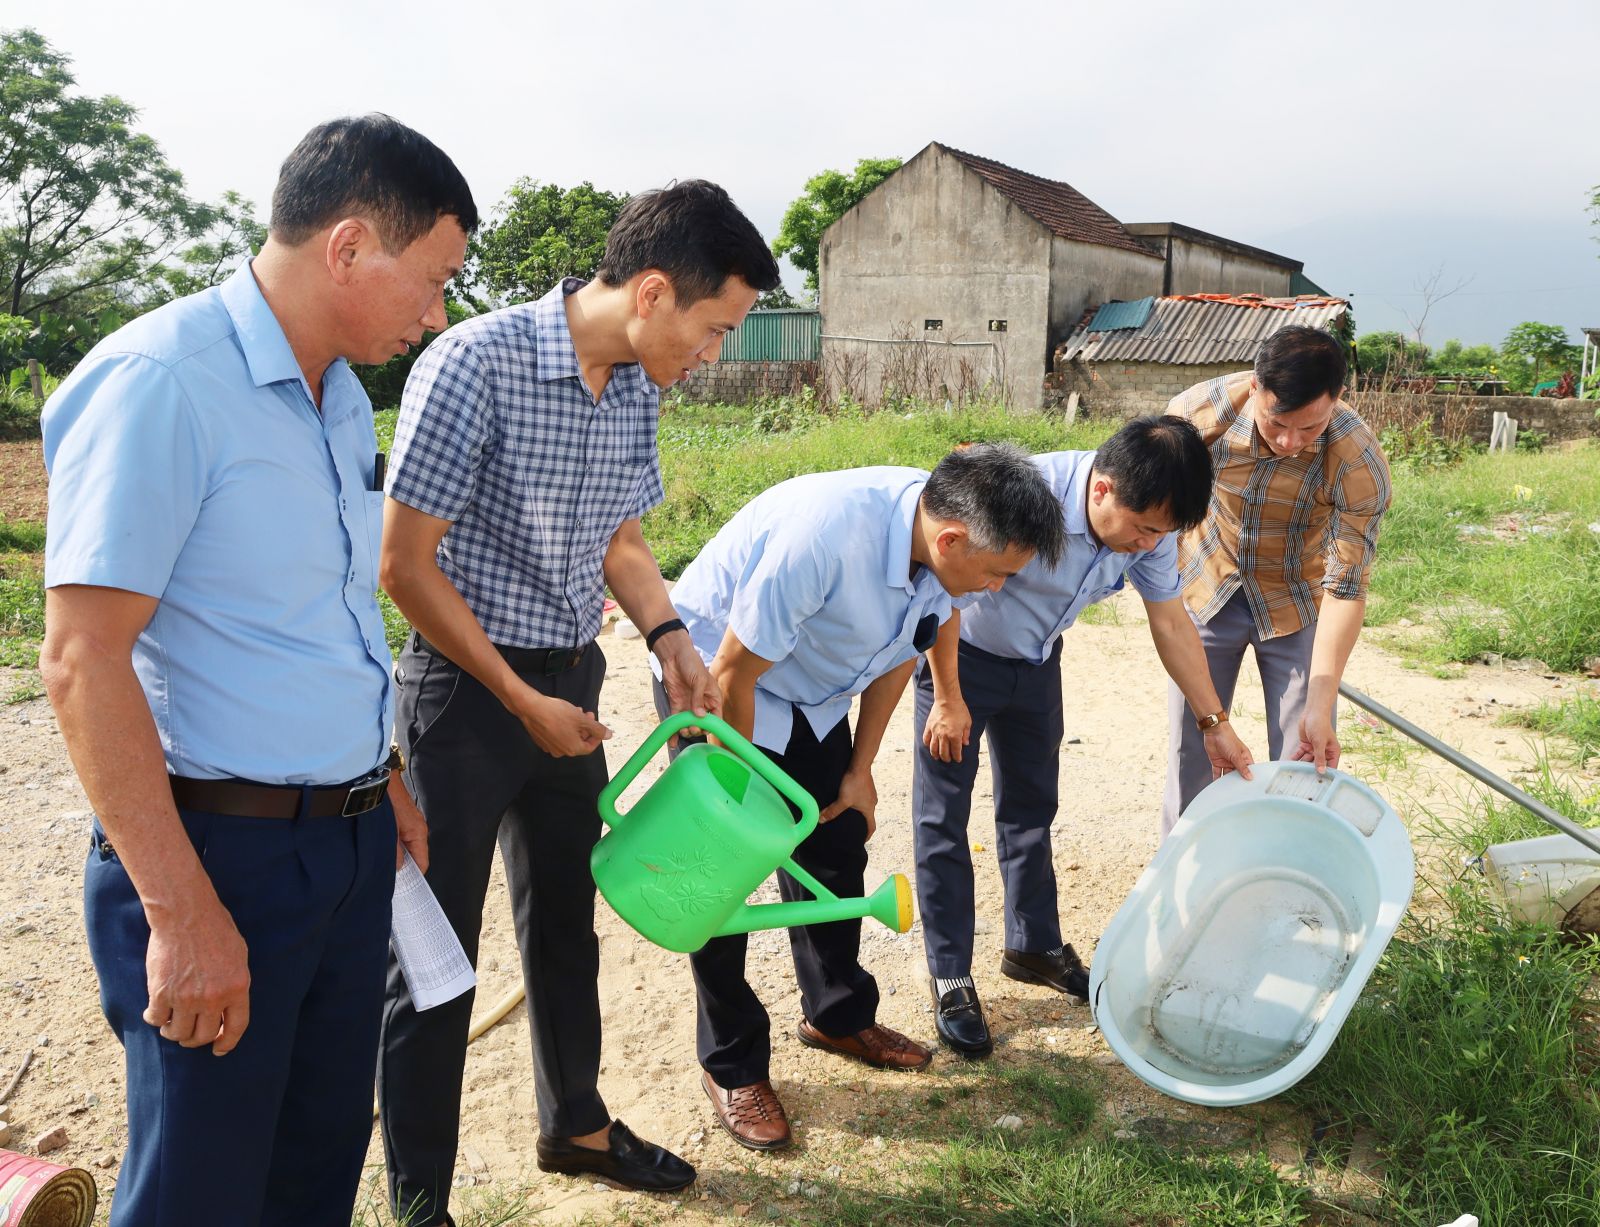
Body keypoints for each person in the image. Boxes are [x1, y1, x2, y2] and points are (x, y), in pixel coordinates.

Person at [38, 115, 475, 1227]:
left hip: (347, 846)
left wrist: (378, 774)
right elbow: (83, 659)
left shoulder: (337, 397)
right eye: (433, 281)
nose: (436, 316)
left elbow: (312, 615)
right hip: (218, 854)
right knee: (200, 1190)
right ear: (348, 247)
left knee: (314, 1171)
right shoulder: (162, 381)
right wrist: (181, 911)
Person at [376, 180, 781, 1219]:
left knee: (566, 918)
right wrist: (516, 696)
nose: (715, 353)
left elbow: (623, 540)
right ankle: (420, 1201)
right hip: (465, 695)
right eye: (715, 327)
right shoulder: (475, 363)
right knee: (435, 955)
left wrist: (670, 635)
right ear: (652, 292)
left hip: (569, 686)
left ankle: (576, 1125)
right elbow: (404, 567)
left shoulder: (638, 384)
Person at [660, 444, 1066, 1149]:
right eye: (998, 573)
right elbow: (732, 674)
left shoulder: (942, 546)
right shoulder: (823, 537)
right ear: (951, 541)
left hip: (811, 692)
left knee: (837, 840)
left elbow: (905, 647)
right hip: (718, 686)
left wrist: (860, 767)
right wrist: (737, 798)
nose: (998, 589)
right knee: (720, 874)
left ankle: (837, 1015)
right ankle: (731, 1064)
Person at [912, 417, 1256, 1057]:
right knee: (943, 817)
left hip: (1038, 661)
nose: (1147, 545)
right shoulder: (1023, 493)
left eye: (1161, 534)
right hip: (961, 660)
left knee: (1031, 806)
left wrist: (1216, 724)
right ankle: (951, 975)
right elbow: (941, 586)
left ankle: (1033, 945)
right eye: (1144, 529)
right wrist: (949, 696)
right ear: (1101, 489)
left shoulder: (1149, 531)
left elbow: (1171, 622)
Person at [1161, 324, 1392, 837]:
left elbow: (1346, 587)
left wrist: (1321, 700)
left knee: (1306, 754)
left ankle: (1286, 861)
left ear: (1337, 398)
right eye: (1277, 422)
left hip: (1296, 603)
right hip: (1208, 586)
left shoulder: (1357, 459)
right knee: (1193, 743)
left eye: (1310, 428)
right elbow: (1158, 510)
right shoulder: (1198, 414)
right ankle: (1184, 864)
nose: (1289, 442)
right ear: (1256, 387)